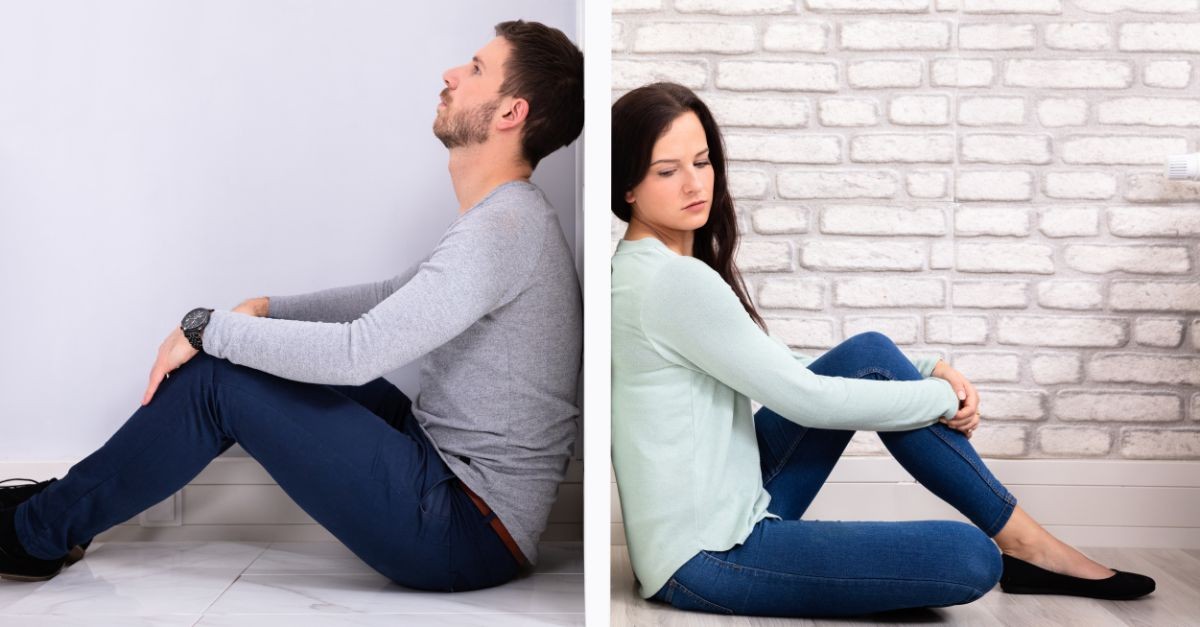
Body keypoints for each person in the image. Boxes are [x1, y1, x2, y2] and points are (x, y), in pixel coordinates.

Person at [0, 19, 583, 592]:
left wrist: (206, 328)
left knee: (218, 379)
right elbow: (390, 298)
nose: (451, 73)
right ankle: (57, 506)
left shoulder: (505, 227)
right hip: (442, 469)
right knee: (246, 357)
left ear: (511, 113)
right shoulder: (506, 218)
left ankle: (36, 534)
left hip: (464, 529)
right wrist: (268, 308)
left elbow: (358, 353)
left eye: (476, 68)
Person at [609, 82, 1155, 618]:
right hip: (709, 556)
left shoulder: (655, 270)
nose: (694, 183)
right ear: (628, 188)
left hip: (729, 507)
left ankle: (1031, 546)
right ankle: (1023, 546)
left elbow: (776, 364)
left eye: (702, 162)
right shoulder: (672, 284)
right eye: (667, 171)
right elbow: (806, 400)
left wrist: (922, 371)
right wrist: (938, 398)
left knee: (868, 354)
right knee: (970, 559)